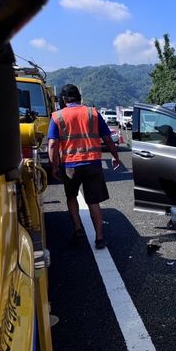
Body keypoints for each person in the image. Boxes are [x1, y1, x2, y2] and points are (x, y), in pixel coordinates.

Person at [48, 84, 121, 249]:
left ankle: (78, 229)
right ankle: (100, 238)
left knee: (71, 197)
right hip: (93, 163)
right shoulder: (92, 113)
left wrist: (54, 166)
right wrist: (116, 157)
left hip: (70, 165)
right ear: (78, 97)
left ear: (64, 99)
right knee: (93, 201)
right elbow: (108, 139)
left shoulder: (57, 116)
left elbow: (52, 144)